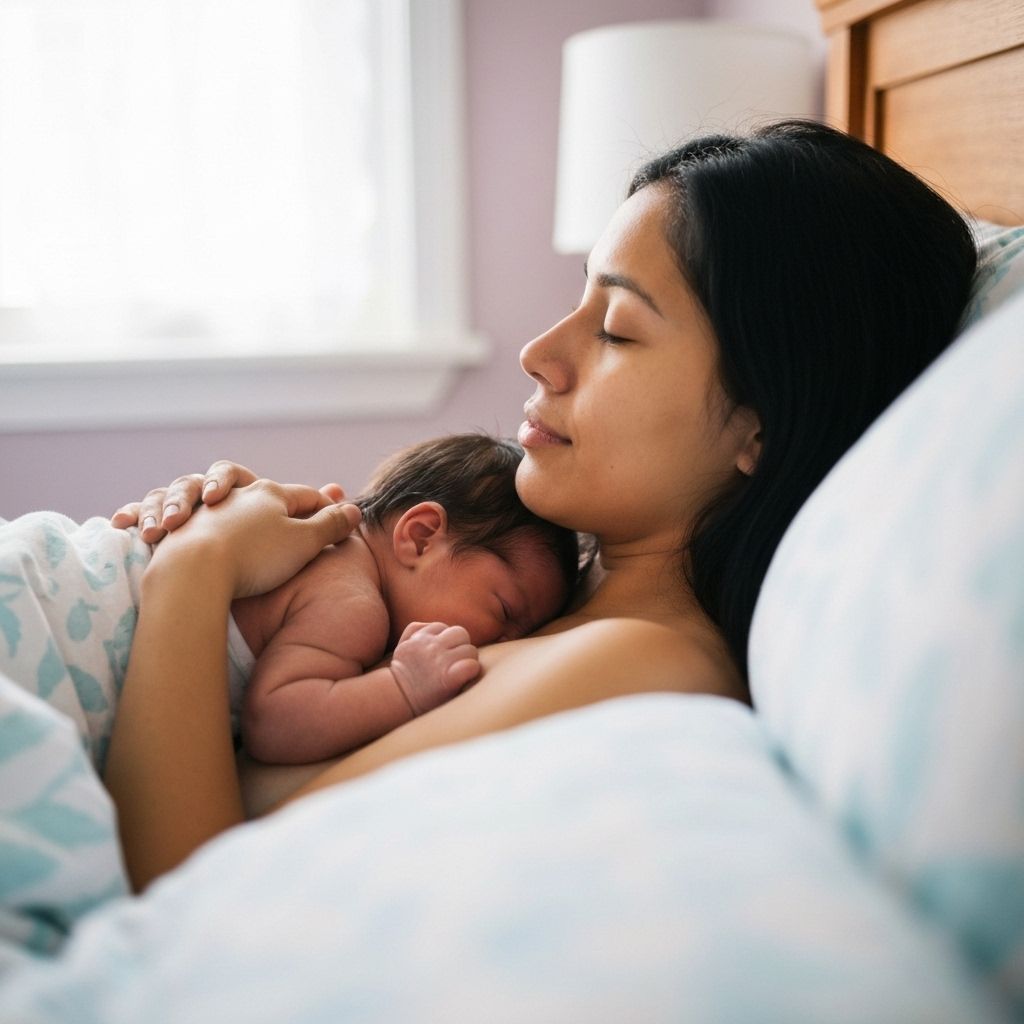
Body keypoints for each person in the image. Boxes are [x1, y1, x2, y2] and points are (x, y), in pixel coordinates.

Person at [104, 120, 978, 890]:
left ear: (760, 426)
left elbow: (190, 892)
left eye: (617, 330)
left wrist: (194, 571)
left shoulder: (640, 666)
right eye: (576, 302)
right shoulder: (539, 594)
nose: (536, 353)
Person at [0, 433, 577, 767]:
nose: (504, 643)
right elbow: (276, 722)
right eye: (505, 611)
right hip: (46, 623)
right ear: (420, 535)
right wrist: (403, 687)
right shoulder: (353, 600)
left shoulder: (311, 529)